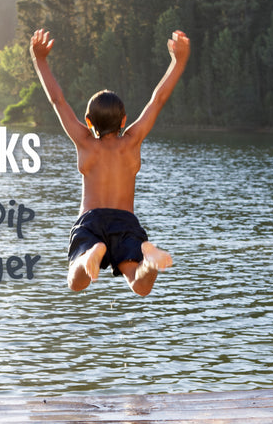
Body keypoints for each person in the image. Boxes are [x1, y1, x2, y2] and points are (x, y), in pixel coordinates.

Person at [30, 28, 190, 296]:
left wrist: (40, 60)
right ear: (124, 120)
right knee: (139, 285)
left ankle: (90, 254)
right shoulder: (132, 141)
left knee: (76, 282)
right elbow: (158, 99)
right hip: (125, 222)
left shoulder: (85, 142)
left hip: (91, 221)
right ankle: (148, 262)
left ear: (89, 122)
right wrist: (179, 61)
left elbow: (57, 100)